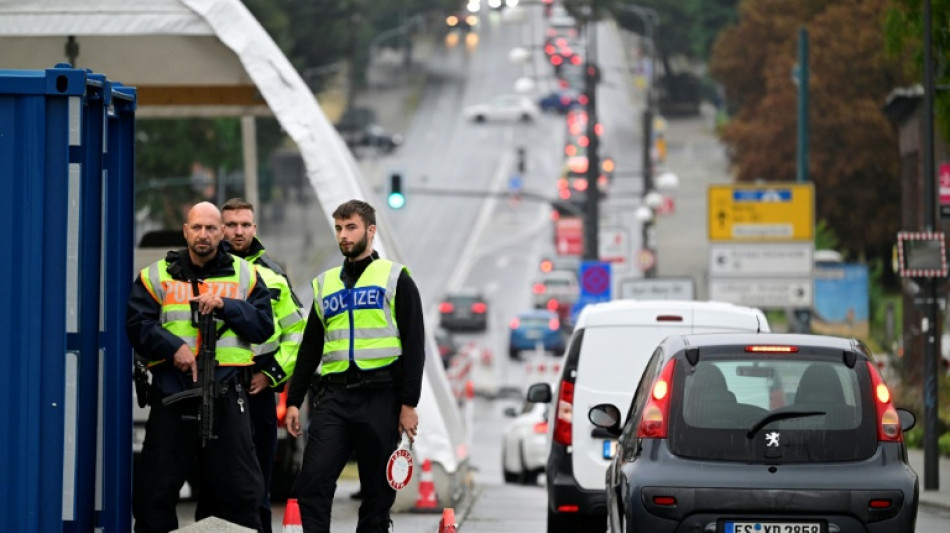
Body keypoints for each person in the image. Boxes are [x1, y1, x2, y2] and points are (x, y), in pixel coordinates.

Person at [126, 201, 274, 533]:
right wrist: (173, 347)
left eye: (210, 228)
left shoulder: (246, 274)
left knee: (239, 490)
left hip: (226, 393)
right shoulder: (155, 275)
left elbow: (264, 325)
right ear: (185, 231)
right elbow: (137, 324)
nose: (203, 235)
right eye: (196, 228)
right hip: (172, 391)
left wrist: (227, 306)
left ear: (221, 231)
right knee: (155, 490)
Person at [285, 199, 425, 533]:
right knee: (313, 480)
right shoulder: (325, 284)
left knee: (378, 494)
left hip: (381, 397)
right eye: (338, 228)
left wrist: (408, 404)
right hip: (333, 399)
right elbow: (310, 349)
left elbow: (414, 345)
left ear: (370, 231)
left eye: (351, 228)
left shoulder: (395, 278)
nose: (344, 236)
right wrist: (293, 399)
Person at [220, 197, 306, 532]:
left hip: (257, 391)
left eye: (245, 225)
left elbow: (296, 333)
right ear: (220, 227)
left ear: (254, 228)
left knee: (258, 484)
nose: (238, 231)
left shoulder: (271, 274)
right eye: (231, 224)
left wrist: (271, 375)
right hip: (214, 390)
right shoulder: (206, 270)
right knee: (218, 485)